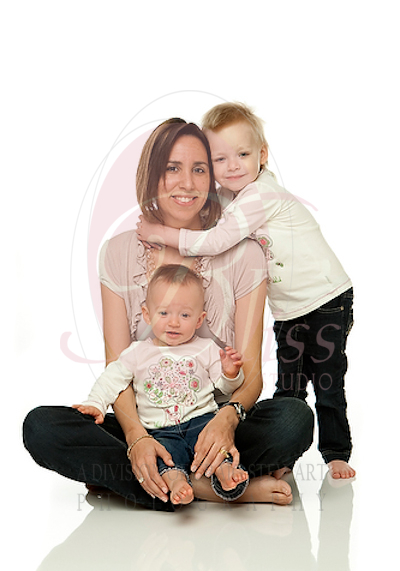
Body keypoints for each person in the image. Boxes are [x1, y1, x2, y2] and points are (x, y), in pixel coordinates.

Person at [23, 118, 314, 512]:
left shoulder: (245, 254)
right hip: (145, 423)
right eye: (172, 168)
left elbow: (250, 376)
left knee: (293, 419)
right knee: (42, 427)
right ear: (152, 175)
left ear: (213, 178)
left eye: (200, 169)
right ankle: (215, 487)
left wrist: (227, 420)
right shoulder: (117, 253)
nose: (187, 183)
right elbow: (118, 367)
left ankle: (144, 482)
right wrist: (137, 438)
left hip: (213, 421)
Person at [137, 104, 355, 480]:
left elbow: (217, 240)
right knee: (289, 383)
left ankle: (336, 453)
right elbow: (207, 204)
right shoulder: (234, 195)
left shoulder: (260, 195)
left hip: (326, 299)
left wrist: (163, 233)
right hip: (289, 309)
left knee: (327, 380)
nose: (233, 166)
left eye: (242, 154)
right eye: (219, 159)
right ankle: (284, 454)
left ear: (262, 155)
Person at [72, 264, 249, 505]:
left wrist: (230, 373)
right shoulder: (137, 352)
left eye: (184, 315)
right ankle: (177, 483)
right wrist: (96, 404)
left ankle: (225, 471)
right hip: (159, 431)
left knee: (216, 448)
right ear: (147, 314)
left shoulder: (206, 348)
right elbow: (111, 379)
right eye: (164, 313)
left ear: (199, 319)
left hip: (202, 422)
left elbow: (225, 389)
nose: (173, 322)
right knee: (165, 457)